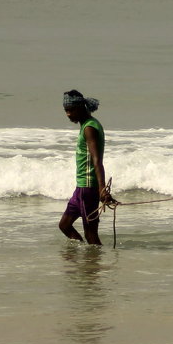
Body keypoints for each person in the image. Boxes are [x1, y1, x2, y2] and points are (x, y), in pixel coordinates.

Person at [59, 90, 110, 245]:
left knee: (91, 234)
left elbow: (97, 160)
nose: (68, 114)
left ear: (81, 108)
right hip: (81, 187)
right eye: (66, 110)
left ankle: (93, 267)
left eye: (71, 110)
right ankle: (86, 260)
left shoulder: (89, 128)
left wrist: (102, 189)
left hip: (88, 187)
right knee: (65, 225)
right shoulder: (87, 125)